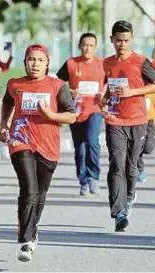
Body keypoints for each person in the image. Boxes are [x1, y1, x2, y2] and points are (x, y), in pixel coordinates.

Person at [0, 44, 76, 262]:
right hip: (20, 141)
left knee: (40, 194)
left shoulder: (58, 86)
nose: (35, 64)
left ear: (47, 63)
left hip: (48, 146)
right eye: (31, 60)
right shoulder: (15, 84)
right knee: (29, 189)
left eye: (40, 60)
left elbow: (71, 116)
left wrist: (50, 114)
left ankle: (32, 229)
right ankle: (26, 240)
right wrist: (4, 124)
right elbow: (6, 102)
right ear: (24, 62)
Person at [100, 20, 155, 231]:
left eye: (126, 40)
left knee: (131, 165)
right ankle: (119, 212)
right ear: (111, 40)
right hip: (114, 119)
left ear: (131, 40)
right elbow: (111, 85)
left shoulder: (141, 62)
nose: (122, 44)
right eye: (118, 40)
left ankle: (128, 198)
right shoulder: (107, 63)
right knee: (116, 163)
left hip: (137, 120)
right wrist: (106, 99)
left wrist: (132, 93)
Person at [56, 33, 105, 196]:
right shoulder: (71, 63)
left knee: (92, 141)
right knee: (80, 147)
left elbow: (109, 82)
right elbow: (59, 82)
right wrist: (70, 91)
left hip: (94, 109)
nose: (87, 48)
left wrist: (103, 95)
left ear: (96, 48)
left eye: (91, 45)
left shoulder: (102, 64)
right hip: (75, 111)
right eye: (84, 45)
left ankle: (93, 177)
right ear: (79, 46)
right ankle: (83, 180)